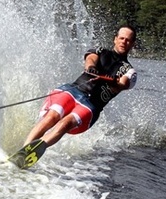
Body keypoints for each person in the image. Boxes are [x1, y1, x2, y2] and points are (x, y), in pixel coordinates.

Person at [9, 26, 138, 168]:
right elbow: (90, 59)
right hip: (74, 90)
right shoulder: (101, 51)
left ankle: (34, 151)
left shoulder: (129, 70)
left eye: (128, 40)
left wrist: (113, 81)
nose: (124, 42)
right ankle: (24, 150)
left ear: (132, 44)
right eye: (121, 38)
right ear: (115, 39)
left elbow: (123, 83)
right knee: (52, 116)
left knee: (65, 123)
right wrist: (91, 68)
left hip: (91, 105)